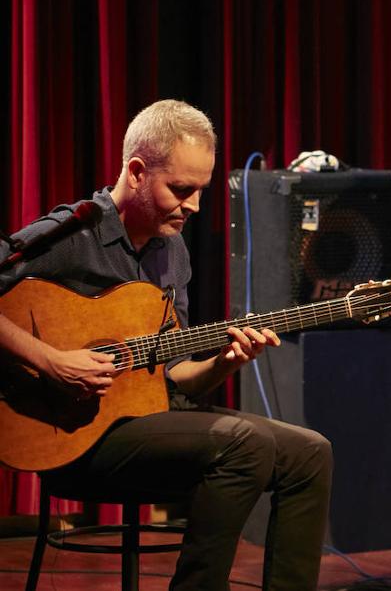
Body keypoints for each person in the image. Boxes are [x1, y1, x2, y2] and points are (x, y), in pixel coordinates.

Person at [0, 99, 332, 591]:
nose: (194, 206)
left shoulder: (172, 251)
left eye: (200, 191)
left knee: (310, 453)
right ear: (137, 172)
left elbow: (175, 377)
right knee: (244, 444)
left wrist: (224, 362)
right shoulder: (75, 232)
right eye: (180, 189)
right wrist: (52, 362)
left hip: (150, 424)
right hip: (70, 436)